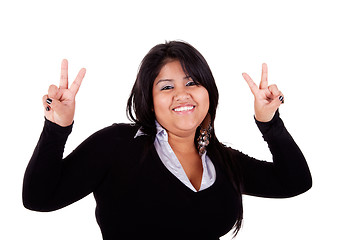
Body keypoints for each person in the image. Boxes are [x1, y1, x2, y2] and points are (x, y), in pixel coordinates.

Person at [22, 41, 312, 240]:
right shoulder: (116, 145)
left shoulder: (222, 161)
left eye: (191, 83)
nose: (181, 94)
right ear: (149, 101)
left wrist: (269, 123)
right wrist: (56, 128)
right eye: (166, 86)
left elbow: (295, 181)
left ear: (207, 93)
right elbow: (38, 198)